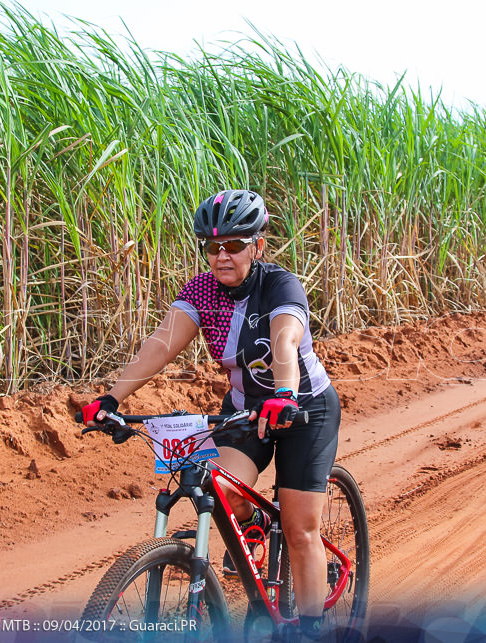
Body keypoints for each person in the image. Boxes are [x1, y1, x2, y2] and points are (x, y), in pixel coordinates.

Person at [81, 189, 341, 641]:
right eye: (212, 247)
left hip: (304, 408)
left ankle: (311, 629)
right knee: (219, 486)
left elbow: (284, 343)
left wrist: (284, 393)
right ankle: (257, 523)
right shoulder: (201, 291)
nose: (222, 256)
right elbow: (161, 345)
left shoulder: (279, 285)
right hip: (244, 411)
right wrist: (111, 400)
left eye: (234, 246)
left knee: (300, 531)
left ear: (257, 246)